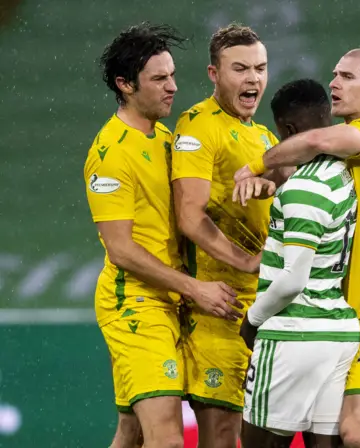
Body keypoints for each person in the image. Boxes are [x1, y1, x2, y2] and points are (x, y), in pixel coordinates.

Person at [234, 49, 360, 448]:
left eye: (348, 77)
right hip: (352, 311)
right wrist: (274, 185)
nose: (334, 83)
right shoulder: (352, 151)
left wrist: (253, 166)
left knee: (356, 434)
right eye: (334, 74)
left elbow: (315, 140)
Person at [84, 23, 242, 448]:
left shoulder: (168, 139)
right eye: (158, 79)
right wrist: (195, 287)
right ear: (125, 85)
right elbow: (120, 250)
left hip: (174, 301)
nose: (172, 87)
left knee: (132, 432)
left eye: (172, 75)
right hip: (135, 303)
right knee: (167, 439)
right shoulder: (111, 154)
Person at [170, 23, 284, 447]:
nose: (253, 78)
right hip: (216, 306)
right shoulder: (198, 126)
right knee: (220, 435)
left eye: (260, 67)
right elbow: (189, 216)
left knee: (254, 436)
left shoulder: (265, 137)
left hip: (262, 312)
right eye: (240, 69)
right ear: (214, 74)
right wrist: (247, 261)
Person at [238, 78, 360, 448]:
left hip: (293, 333)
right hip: (337, 332)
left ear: (288, 132)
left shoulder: (303, 188)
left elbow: (293, 280)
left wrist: (253, 319)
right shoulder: (347, 174)